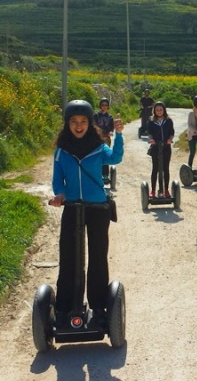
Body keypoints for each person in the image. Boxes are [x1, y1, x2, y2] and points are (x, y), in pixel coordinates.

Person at [49, 99, 124, 327]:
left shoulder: (99, 146)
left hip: (97, 208)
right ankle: (64, 308)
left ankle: (99, 308)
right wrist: (60, 194)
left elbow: (115, 158)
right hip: (72, 207)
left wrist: (119, 135)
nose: (79, 126)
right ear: (67, 124)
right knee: (69, 258)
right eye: (74, 122)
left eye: (83, 122)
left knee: (98, 257)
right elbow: (57, 179)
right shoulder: (62, 151)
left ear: (90, 124)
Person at [147, 101, 174, 199]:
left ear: (164, 110)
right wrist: (151, 140)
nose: (159, 111)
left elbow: (171, 132)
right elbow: (149, 133)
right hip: (155, 147)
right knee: (155, 169)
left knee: (165, 169)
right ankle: (153, 191)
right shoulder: (151, 121)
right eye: (157, 110)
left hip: (166, 147)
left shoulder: (168, 121)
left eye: (161, 110)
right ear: (154, 110)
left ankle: (166, 190)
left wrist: (170, 139)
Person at [93, 97, 115, 177]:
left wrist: (111, 132)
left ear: (108, 106)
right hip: (97, 137)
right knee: (96, 154)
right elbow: (94, 125)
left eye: (106, 105)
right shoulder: (96, 115)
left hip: (106, 138)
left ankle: (105, 174)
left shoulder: (110, 117)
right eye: (103, 105)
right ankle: (96, 173)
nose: (104, 106)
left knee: (105, 155)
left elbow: (111, 127)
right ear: (100, 106)